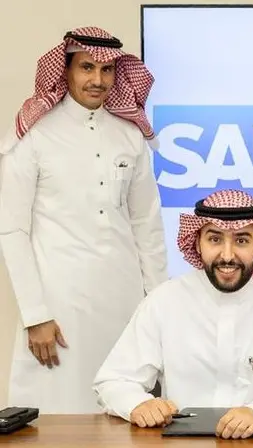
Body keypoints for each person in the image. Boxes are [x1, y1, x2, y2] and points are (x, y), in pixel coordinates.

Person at [0, 26, 168, 413]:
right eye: (87, 67)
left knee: (124, 409)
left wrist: (159, 306)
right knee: (55, 412)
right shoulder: (35, 134)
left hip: (124, 301)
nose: (98, 80)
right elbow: (12, 229)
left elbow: (147, 226)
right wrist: (35, 315)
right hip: (59, 304)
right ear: (66, 70)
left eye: (107, 70)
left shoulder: (129, 135)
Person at [92, 189, 253, 439]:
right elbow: (114, 380)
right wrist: (138, 404)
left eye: (242, 240)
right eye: (215, 239)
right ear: (197, 243)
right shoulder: (165, 300)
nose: (227, 255)